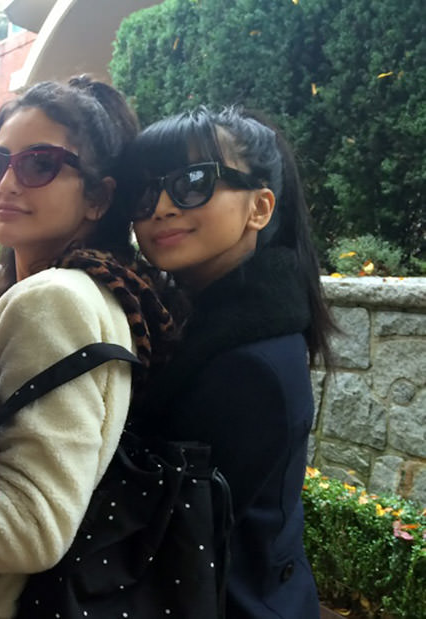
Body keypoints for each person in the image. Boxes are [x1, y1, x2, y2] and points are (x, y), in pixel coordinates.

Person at [0, 78, 177, 619]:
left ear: (99, 197)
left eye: (39, 164)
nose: (7, 183)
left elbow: (34, 527)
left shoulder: (57, 299)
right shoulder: (100, 289)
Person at [123, 106, 332, 618]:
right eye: (144, 190)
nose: (162, 207)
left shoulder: (248, 363)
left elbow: (165, 523)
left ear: (259, 208)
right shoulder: (202, 316)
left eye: (193, 182)